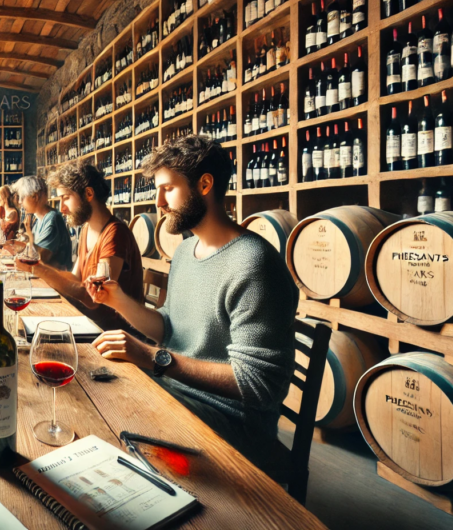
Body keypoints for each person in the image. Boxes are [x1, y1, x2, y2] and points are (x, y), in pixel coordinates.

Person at [87, 135, 298, 470]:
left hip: (232, 425)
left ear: (204, 184)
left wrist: (151, 356)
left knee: (103, 427)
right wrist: (118, 301)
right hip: (175, 394)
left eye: (167, 189)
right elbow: (169, 327)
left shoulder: (254, 263)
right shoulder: (185, 251)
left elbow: (260, 385)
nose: (158, 202)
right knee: (93, 396)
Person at [13, 160, 142, 332]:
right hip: (87, 323)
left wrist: (38, 270)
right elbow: (76, 278)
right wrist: (39, 269)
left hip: (112, 333)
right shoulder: (87, 229)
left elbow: (93, 298)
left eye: (65, 198)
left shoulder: (115, 234)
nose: (62, 208)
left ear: (88, 194)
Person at [6, 175, 73, 271]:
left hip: (54, 282)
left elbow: (41, 257)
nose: (20, 202)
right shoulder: (39, 219)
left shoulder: (52, 219)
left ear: (35, 197)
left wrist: (17, 244)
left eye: (22, 197)